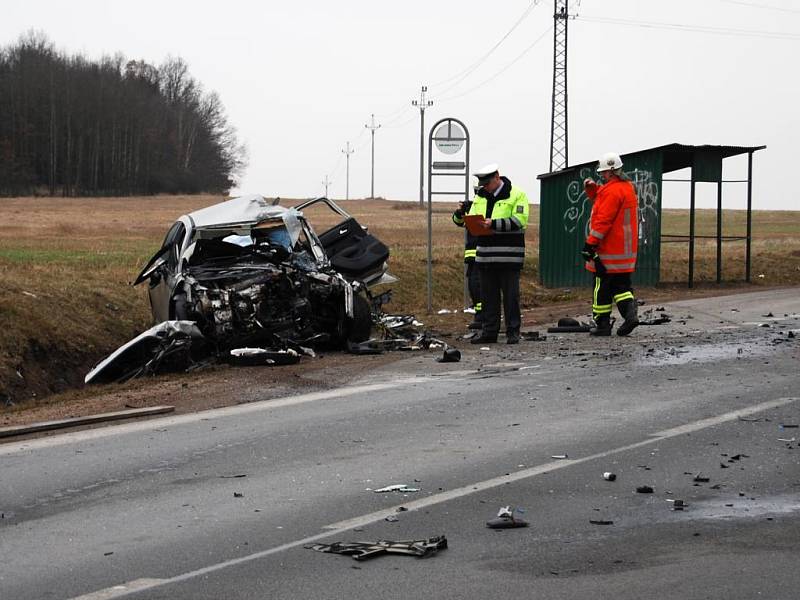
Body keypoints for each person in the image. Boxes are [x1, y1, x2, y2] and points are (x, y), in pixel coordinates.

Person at [466, 164, 529, 345]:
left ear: (497, 177)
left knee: (511, 297)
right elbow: (472, 219)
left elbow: (519, 221)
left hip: (509, 257)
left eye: (487, 183)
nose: (485, 187)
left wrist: (492, 224)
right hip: (485, 256)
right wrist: (467, 219)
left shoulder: (517, 194)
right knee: (488, 297)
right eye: (482, 184)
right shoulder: (480, 196)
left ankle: (513, 332)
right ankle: (489, 332)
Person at [581, 152, 639, 336]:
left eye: (604, 173)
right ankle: (630, 316)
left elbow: (603, 220)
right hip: (624, 251)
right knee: (622, 287)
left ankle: (603, 324)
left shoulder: (611, 191)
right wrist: (593, 189)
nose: (602, 175)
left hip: (607, 250)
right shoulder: (627, 188)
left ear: (612, 171)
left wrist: (590, 244)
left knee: (601, 287)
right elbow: (603, 197)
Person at [452, 176, 482, 330]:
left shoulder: (490, 204)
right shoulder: (473, 205)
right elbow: (458, 221)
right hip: (472, 254)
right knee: (474, 285)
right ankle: (479, 314)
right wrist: (460, 211)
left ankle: (485, 315)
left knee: (482, 285)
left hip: (486, 252)